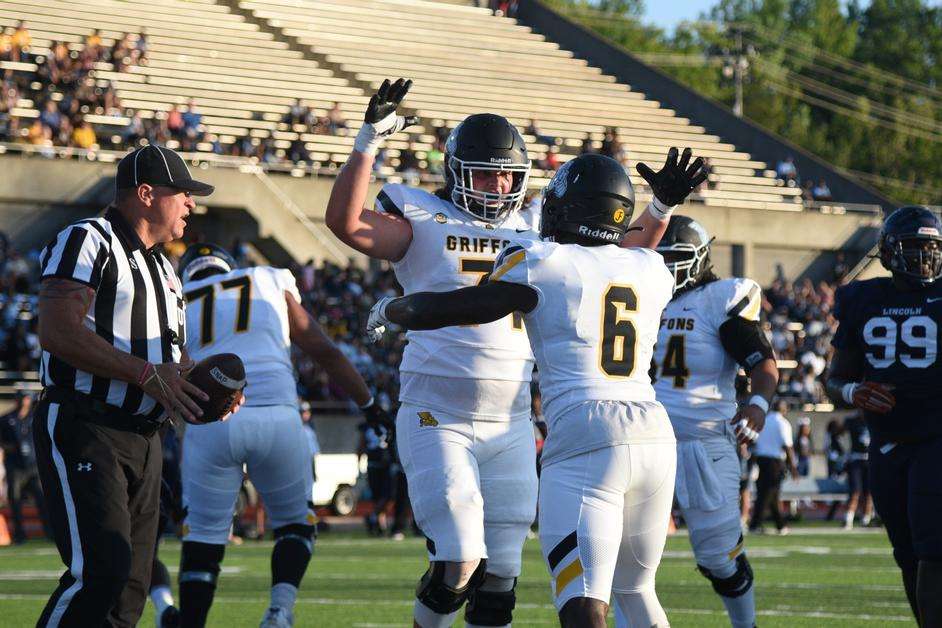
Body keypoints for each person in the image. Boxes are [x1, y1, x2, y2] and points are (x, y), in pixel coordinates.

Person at [326, 77, 702, 627]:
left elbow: (611, 257)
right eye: (486, 171)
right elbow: (347, 223)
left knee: (501, 578)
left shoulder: (536, 230)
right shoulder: (424, 217)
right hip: (439, 411)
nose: (499, 182)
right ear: (455, 172)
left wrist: (660, 207)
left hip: (511, 421)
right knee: (459, 560)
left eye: (508, 171)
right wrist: (366, 143)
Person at [34, 144, 216, 627]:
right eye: (182, 194)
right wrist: (143, 374)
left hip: (146, 437)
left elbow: (171, 363)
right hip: (86, 421)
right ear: (146, 194)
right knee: (101, 571)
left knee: (131, 588)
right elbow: (57, 331)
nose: (191, 204)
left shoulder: (165, 270)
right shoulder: (86, 239)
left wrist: (208, 390)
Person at [176, 243, 393, 628]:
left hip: (210, 424)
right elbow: (322, 350)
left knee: (204, 539)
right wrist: (368, 404)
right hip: (277, 411)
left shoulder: (176, 296)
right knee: (294, 524)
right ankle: (279, 610)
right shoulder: (267, 277)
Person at [631, 215, 779, 628]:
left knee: (717, 557)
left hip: (703, 439)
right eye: (661, 259)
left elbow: (763, 364)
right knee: (626, 555)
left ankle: (744, 624)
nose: (668, 268)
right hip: (641, 439)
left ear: (699, 259)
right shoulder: (636, 299)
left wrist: (757, 405)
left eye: (676, 258)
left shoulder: (719, 298)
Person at [825, 205, 942, 626]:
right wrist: (854, 391)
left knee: (933, 549)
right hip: (887, 444)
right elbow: (834, 379)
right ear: (889, 252)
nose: (926, 257)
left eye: (932, 247)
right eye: (915, 248)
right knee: (907, 554)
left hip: (935, 438)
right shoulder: (864, 298)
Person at [0, 391, 49, 543]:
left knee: (42, 500)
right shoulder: (6, 419)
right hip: (15, 467)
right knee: (15, 501)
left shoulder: (35, 417)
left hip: (34, 466)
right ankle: (19, 535)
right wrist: (9, 448)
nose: (24, 401)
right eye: (21, 398)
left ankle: (50, 533)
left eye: (26, 398)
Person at [748, 400, 798, 535]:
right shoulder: (782, 423)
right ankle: (755, 524)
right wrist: (793, 467)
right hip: (775, 461)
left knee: (770, 494)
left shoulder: (763, 420)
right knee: (767, 493)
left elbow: (754, 442)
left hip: (761, 459)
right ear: (783, 409)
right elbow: (787, 446)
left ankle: (780, 524)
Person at [358, 417, 394, 536]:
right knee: (378, 496)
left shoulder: (388, 424)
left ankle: (373, 518)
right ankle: (380, 525)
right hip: (373, 465)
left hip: (386, 466)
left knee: (387, 496)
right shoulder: (367, 427)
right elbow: (361, 446)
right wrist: (358, 467)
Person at [842, 412, 873, 529]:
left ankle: (866, 519)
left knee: (869, 492)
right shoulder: (852, 421)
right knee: (855, 491)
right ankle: (848, 519)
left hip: (870, 459)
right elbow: (838, 432)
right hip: (856, 459)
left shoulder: (874, 418)